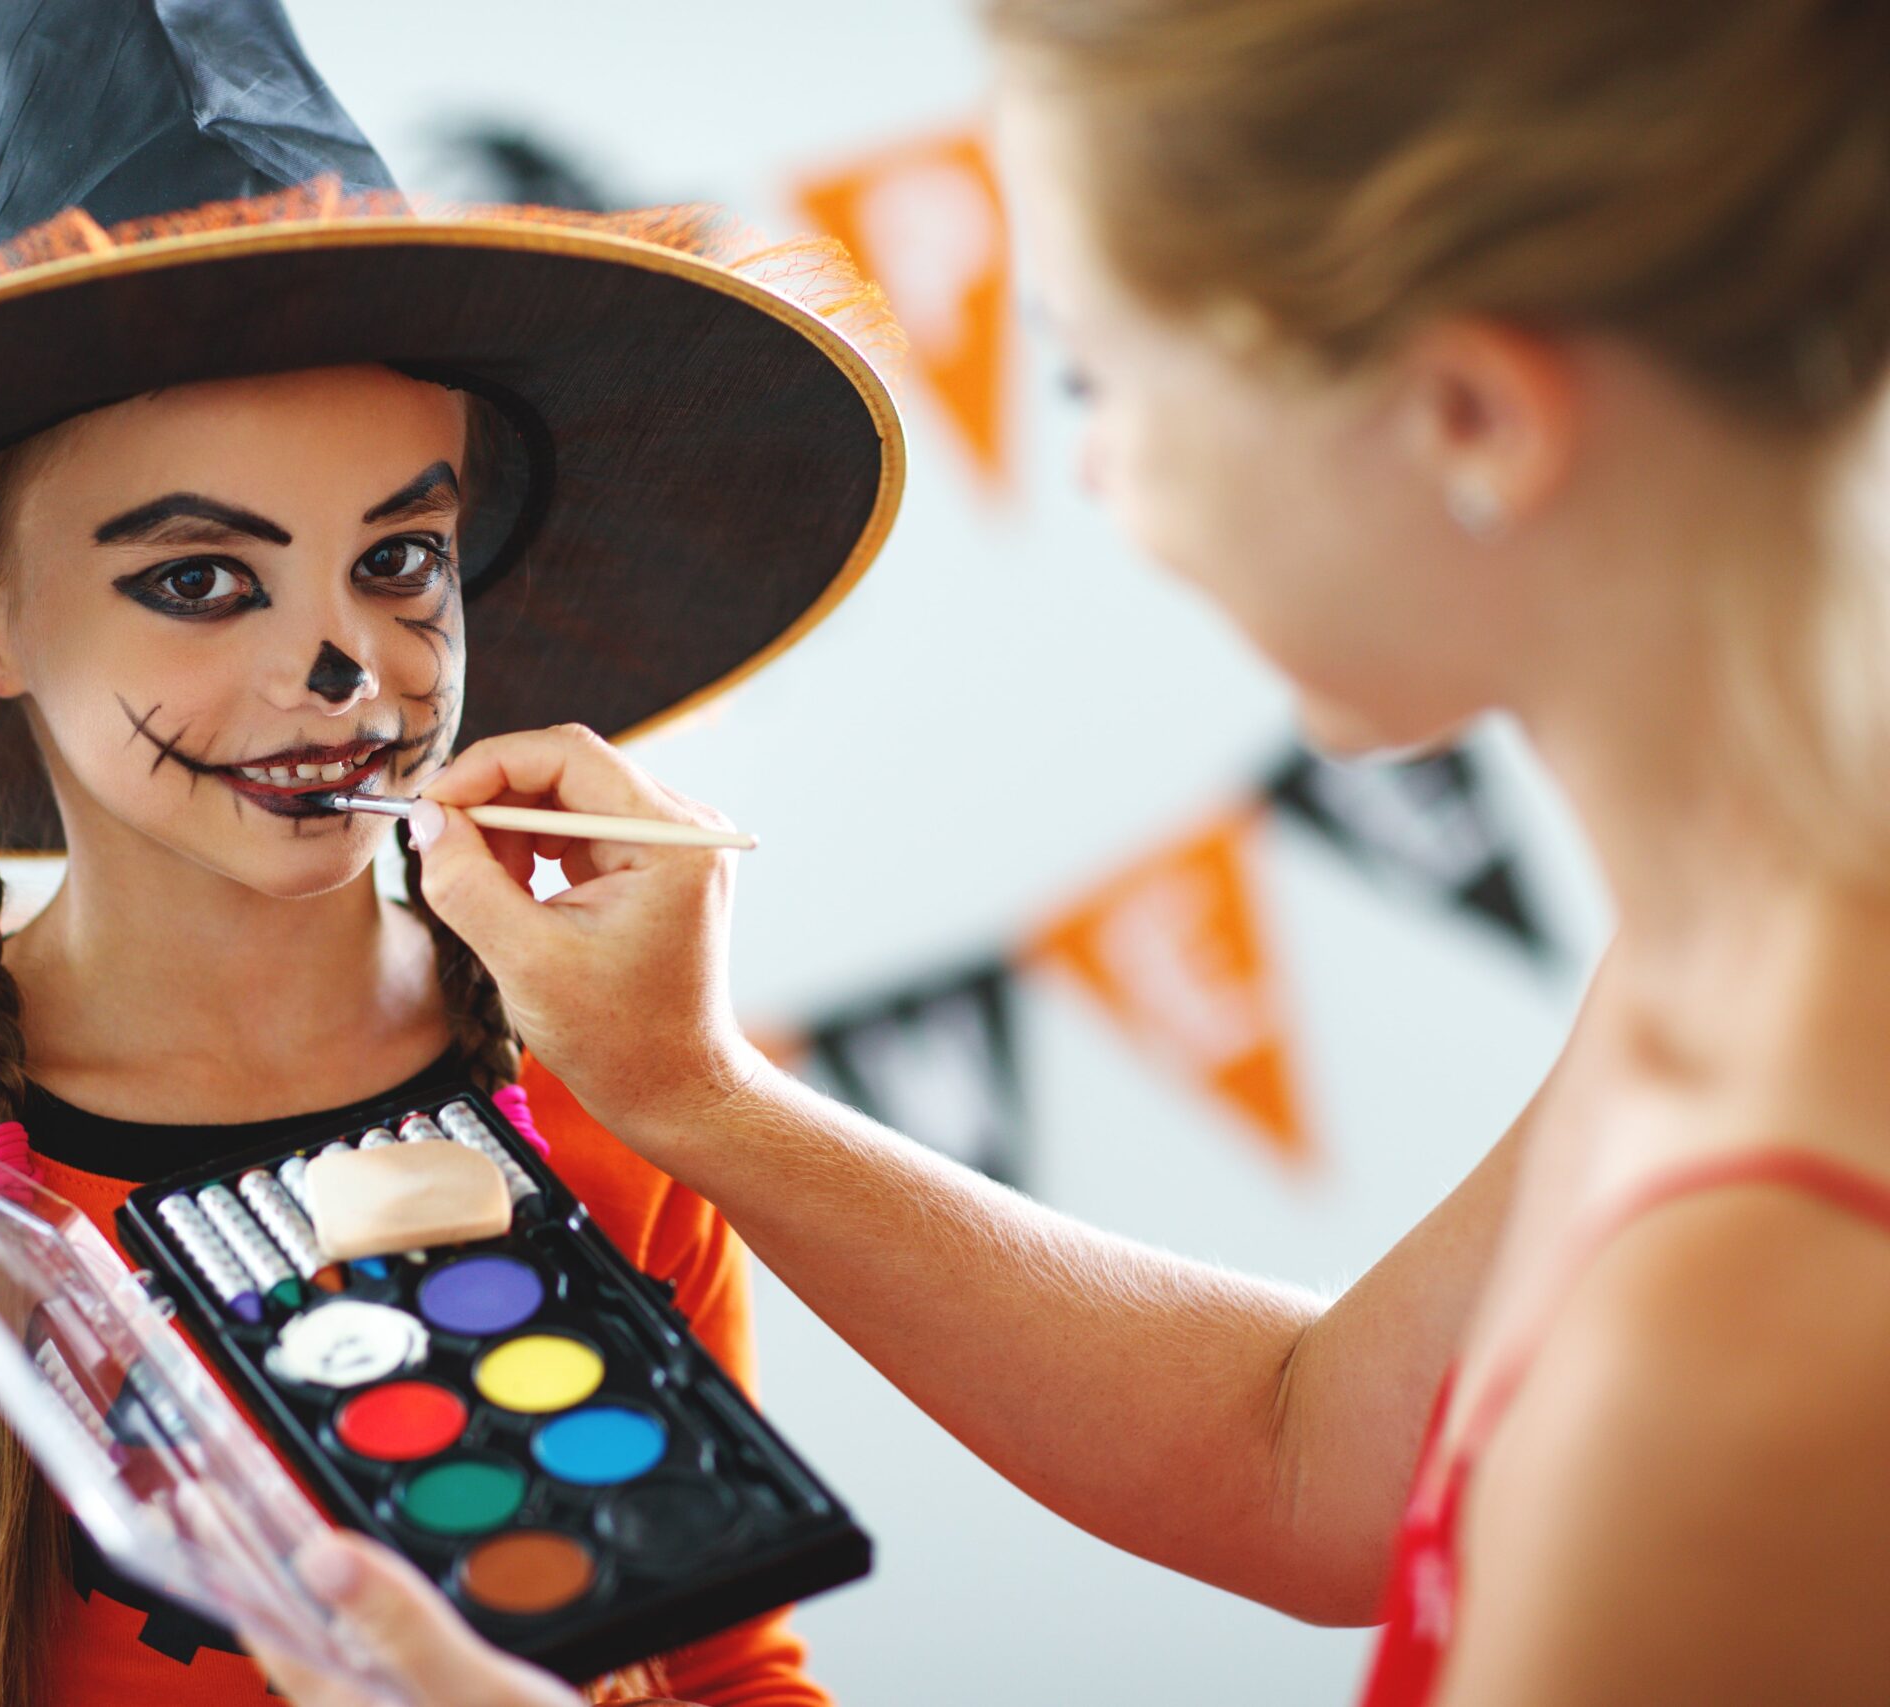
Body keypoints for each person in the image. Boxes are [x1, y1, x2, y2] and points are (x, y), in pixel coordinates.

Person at [253, 0, 1890, 1703]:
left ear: (1471, 415)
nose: (1103, 474)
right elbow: (1312, 1463)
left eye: (1097, 379)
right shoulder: (1750, 948)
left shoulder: (1761, 1320)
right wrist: (691, 1086)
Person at [0, 2, 901, 1704]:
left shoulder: (619, 1110)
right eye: (205, 577)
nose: (347, 666)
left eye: (405, 555)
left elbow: (735, 1677)